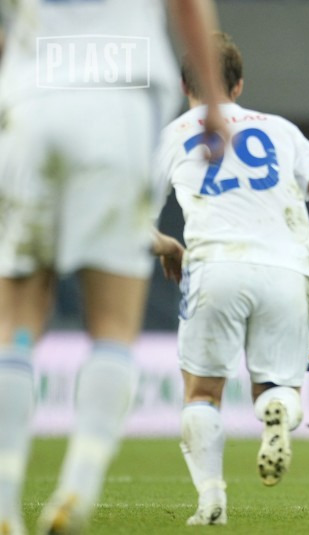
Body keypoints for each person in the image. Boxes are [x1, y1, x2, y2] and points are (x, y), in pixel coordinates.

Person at [153, 32, 309, 527]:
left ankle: (211, 499)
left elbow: (127, 221)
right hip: (286, 271)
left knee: (201, 393)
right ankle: (278, 414)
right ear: (239, 86)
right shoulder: (281, 131)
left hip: (214, 266)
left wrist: (168, 246)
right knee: (279, 386)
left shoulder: (172, 135)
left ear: (184, 85)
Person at [0, 2, 227, 534]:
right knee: (112, 327)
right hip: (120, 102)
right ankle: (79, 483)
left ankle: (5, 499)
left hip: (31, 101)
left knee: (15, 328)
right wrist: (214, 103)